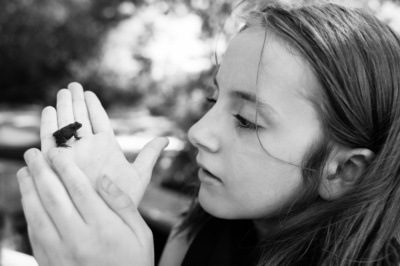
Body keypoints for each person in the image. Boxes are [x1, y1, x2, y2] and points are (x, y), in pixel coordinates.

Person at [16, 1, 400, 265]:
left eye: (246, 120)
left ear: (341, 171)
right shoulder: (195, 231)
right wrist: (109, 224)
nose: (198, 132)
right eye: (211, 99)